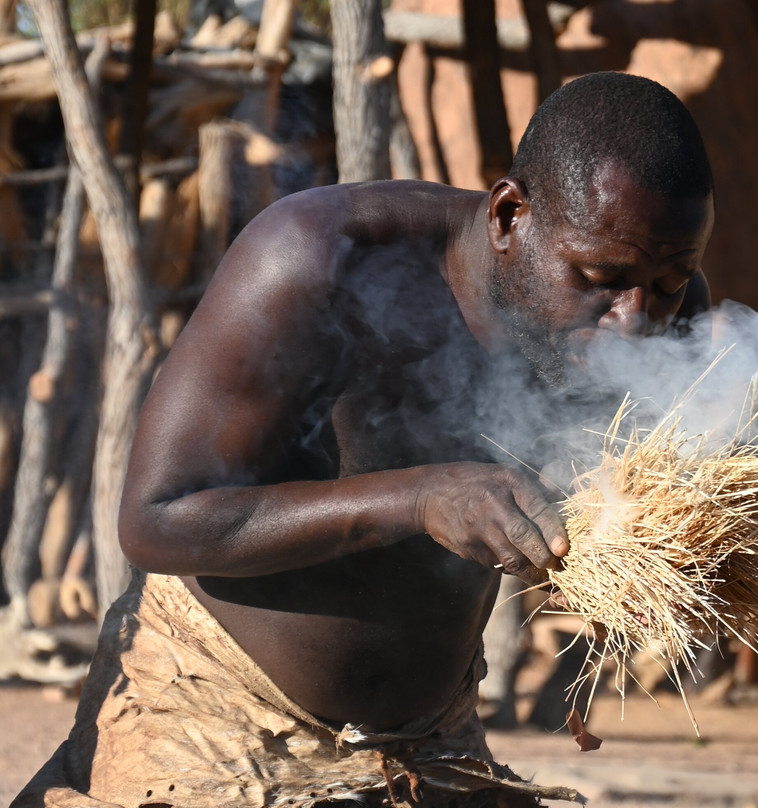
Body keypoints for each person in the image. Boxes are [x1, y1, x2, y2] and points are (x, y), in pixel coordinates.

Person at [14, 71, 715, 807]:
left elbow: (622, 488)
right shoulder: (319, 256)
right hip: (213, 719)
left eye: (671, 282)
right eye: (599, 275)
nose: (634, 322)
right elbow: (156, 519)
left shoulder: (657, 302)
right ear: (510, 217)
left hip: (431, 743)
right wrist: (419, 499)